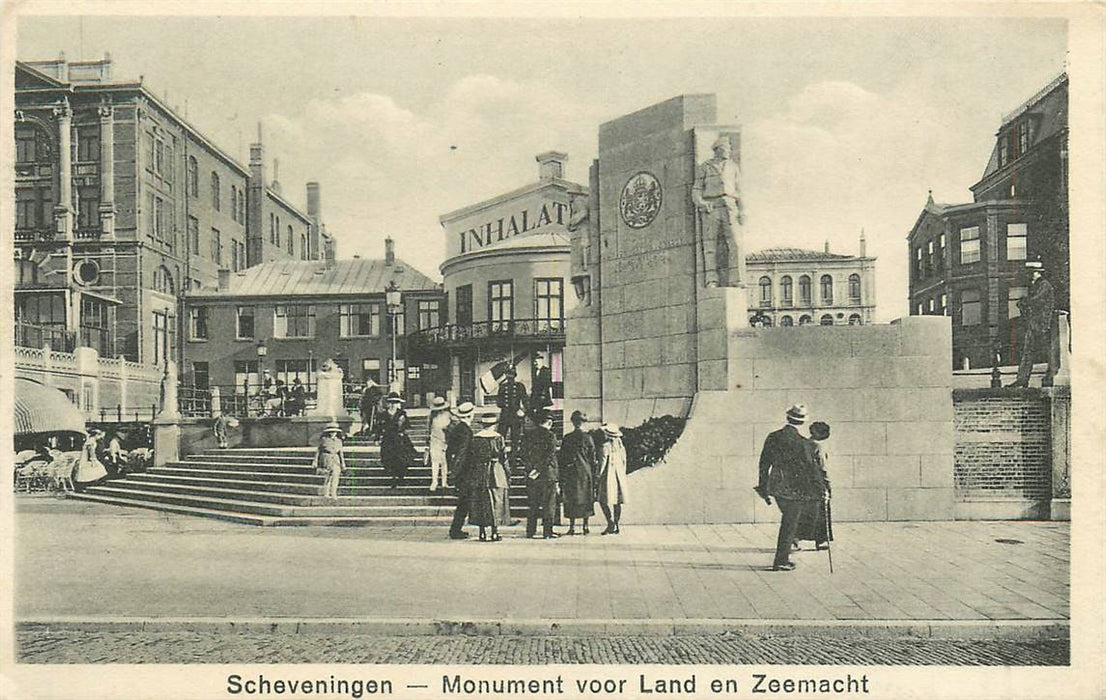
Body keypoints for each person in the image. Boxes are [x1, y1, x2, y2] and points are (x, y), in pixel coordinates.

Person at [755, 404, 827, 571]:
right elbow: (812, 470)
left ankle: (783, 557)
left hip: (776, 485)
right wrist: (821, 489)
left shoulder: (773, 437)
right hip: (795, 489)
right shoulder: (803, 443)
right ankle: (781, 560)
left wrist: (763, 486)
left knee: (790, 520)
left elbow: (764, 463)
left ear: (788, 418)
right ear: (802, 422)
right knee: (790, 523)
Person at [691, 135, 745, 288]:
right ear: (718, 149)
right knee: (710, 246)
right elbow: (696, 190)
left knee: (735, 243)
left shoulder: (733, 166)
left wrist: (743, 210)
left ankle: (737, 279)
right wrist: (701, 203)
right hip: (711, 207)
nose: (729, 150)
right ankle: (711, 279)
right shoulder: (705, 166)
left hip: (730, 205)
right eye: (727, 148)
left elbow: (740, 190)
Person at [1009, 261, 1055, 388]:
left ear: (1037, 273)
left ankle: (1050, 377)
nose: (1029, 276)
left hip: (1043, 325)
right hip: (1034, 324)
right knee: (1028, 351)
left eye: (1031, 273)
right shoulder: (1036, 285)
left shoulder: (1044, 285)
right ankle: (1022, 380)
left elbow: (1037, 301)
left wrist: (1024, 302)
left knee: (1047, 351)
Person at [467, 414, 509, 542]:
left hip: (479, 472)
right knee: (496, 501)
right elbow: (504, 457)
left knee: (480, 501)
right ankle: (495, 532)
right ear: (494, 425)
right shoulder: (498, 438)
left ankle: (482, 533)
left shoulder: (476, 438)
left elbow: (471, 458)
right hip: (496, 471)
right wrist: (508, 473)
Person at [793, 421, 833, 551]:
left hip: (803, 481)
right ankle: (821, 540)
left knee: (804, 510)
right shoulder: (818, 446)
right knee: (822, 510)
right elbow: (823, 468)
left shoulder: (804, 443)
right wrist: (827, 484)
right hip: (817, 482)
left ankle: (796, 537)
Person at [522, 411, 560, 539]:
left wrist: (531, 470)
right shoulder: (551, 436)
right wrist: (538, 469)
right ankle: (547, 532)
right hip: (547, 474)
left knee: (533, 503)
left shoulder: (528, 436)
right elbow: (549, 456)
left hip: (532, 475)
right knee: (549, 504)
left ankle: (530, 531)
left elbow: (523, 454)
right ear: (549, 422)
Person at [558, 410, 597, 535]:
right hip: (585, 472)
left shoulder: (567, 438)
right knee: (585, 498)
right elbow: (593, 458)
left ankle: (572, 526)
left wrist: (562, 473)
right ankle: (585, 526)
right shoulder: (588, 438)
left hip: (571, 472)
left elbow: (562, 457)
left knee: (571, 499)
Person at [446, 402, 476, 539]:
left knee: (463, 502)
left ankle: (456, 529)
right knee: (464, 503)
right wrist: (456, 472)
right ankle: (455, 530)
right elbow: (462, 453)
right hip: (464, 472)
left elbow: (449, 451)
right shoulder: (466, 431)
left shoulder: (457, 429)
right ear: (471, 415)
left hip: (460, 471)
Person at [379, 392, 416, 489]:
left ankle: (401, 477)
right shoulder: (383, 414)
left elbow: (407, 426)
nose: (393, 404)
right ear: (388, 403)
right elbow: (379, 427)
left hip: (399, 439)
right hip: (388, 439)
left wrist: (402, 429)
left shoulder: (402, 413)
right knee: (389, 458)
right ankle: (393, 477)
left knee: (401, 458)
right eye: (391, 402)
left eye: (395, 402)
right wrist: (377, 437)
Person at [596, 423, 628, 535]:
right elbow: (624, 461)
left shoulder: (605, 446)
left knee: (603, 500)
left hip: (608, 476)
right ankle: (617, 524)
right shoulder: (620, 446)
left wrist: (598, 476)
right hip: (619, 475)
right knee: (617, 501)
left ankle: (610, 523)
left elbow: (602, 462)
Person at [496, 366, 528, 465]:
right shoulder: (502, 387)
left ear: (514, 375)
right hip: (505, 416)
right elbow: (498, 402)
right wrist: (504, 405)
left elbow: (526, 400)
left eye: (511, 375)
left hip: (515, 416)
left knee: (515, 438)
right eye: (508, 374)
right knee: (501, 436)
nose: (510, 377)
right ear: (506, 375)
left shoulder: (520, 386)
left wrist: (523, 411)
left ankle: (513, 458)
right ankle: (501, 457)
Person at [315, 419, 346, 502]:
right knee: (327, 477)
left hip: (336, 460)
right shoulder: (324, 440)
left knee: (336, 477)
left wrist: (343, 464)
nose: (333, 433)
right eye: (331, 432)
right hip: (326, 459)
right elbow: (319, 451)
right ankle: (326, 493)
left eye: (335, 432)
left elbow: (341, 453)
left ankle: (334, 493)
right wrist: (315, 461)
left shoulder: (339, 441)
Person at [427, 396, 452, 491]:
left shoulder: (448, 415)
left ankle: (444, 482)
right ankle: (434, 481)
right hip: (434, 440)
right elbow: (428, 429)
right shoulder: (432, 416)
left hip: (445, 441)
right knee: (435, 462)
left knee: (444, 462)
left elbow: (452, 428)